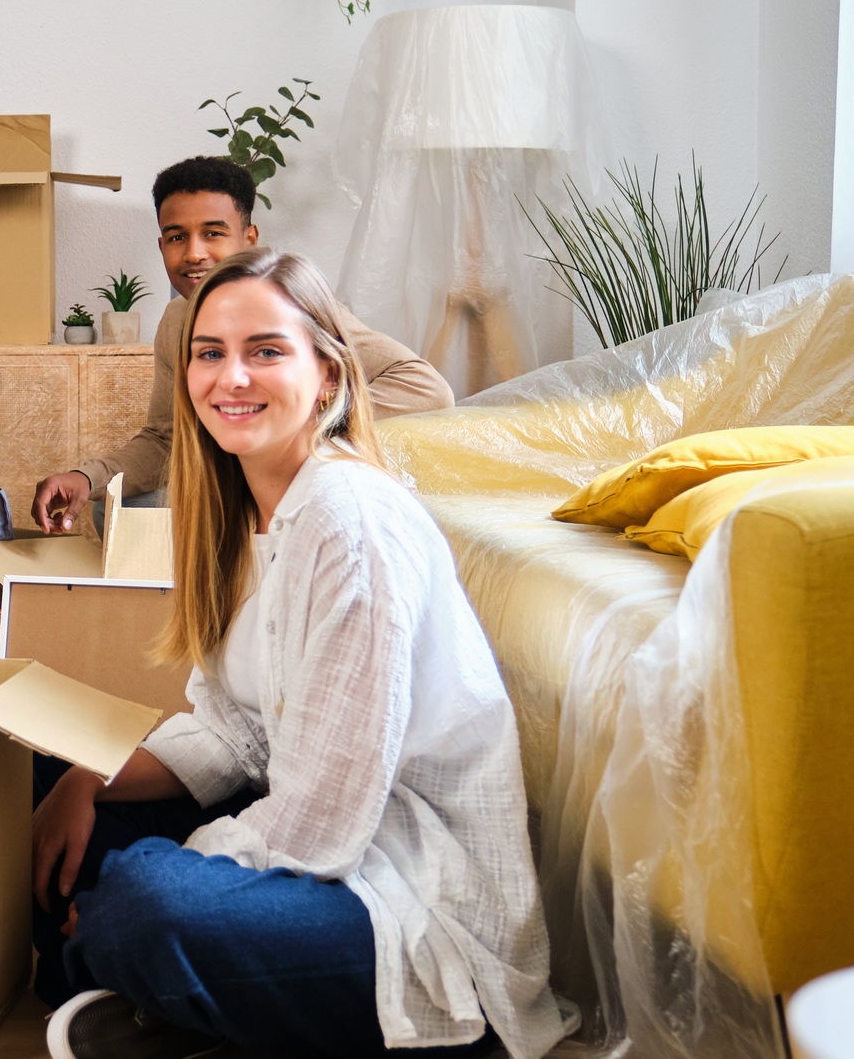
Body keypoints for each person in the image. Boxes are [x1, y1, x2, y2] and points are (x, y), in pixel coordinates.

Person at [30, 247, 564, 1059]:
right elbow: (235, 733)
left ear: (327, 375)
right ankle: (153, 986)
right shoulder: (242, 514)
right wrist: (86, 780)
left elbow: (323, 816)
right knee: (49, 779)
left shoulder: (350, 521)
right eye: (210, 353)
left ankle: (131, 971)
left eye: (266, 350)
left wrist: (156, 877)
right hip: (309, 833)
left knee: (146, 898)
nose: (232, 377)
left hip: (404, 893)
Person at [31, 156, 452, 534]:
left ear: (249, 239)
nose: (194, 253)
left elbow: (423, 386)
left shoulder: (287, 303)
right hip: (224, 485)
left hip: (288, 483)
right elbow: (165, 438)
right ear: (161, 246)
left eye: (213, 233)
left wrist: (294, 426)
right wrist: (86, 477)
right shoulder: (176, 320)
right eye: (177, 237)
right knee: (117, 514)